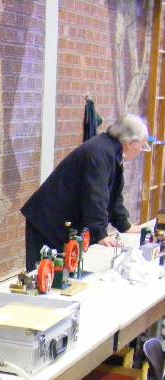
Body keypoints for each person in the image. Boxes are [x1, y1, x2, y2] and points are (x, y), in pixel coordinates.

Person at [21, 114, 151, 271]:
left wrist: (124, 225)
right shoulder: (100, 153)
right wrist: (99, 233)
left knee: (66, 269)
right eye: (142, 146)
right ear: (131, 143)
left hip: (60, 219)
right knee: (44, 272)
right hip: (47, 221)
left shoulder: (110, 151)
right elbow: (95, 196)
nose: (141, 151)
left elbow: (113, 193)